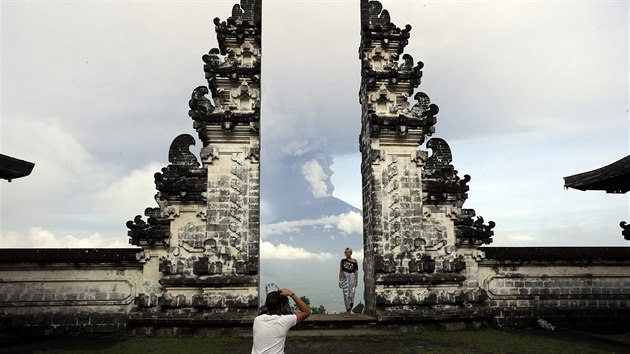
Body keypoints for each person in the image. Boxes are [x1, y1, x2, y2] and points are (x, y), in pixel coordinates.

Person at [251, 288, 311, 354]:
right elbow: (307, 312)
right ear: (281, 305)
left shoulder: (257, 320)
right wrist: (291, 294)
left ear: (266, 304)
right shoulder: (284, 321)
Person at [338, 247, 359, 318]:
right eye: (346, 252)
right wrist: (340, 281)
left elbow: (356, 271)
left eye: (349, 252)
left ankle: (349, 311)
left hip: (352, 278)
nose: (347, 254)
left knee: (351, 294)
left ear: (351, 253)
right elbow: (340, 271)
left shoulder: (354, 261)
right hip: (344, 278)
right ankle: (347, 310)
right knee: (345, 294)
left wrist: (356, 280)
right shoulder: (343, 261)